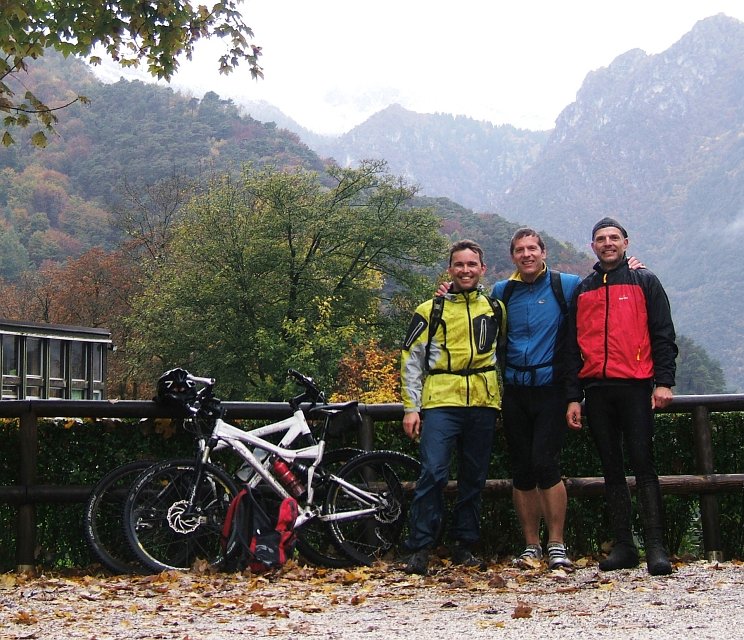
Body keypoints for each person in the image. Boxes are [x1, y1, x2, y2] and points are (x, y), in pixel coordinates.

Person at [565, 217, 678, 576]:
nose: (608, 243)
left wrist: (664, 382)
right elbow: (570, 348)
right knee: (611, 470)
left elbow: (662, 332)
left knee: (644, 466)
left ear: (626, 243)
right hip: (597, 390)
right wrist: (573, 396)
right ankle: (624, 546)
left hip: (636, 386)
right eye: (601, 239)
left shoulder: (645, 281)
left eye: (614, 237)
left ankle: (656, 547)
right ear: (593, 246)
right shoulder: (583, 289)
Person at [400, 239, 504, 575]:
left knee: (474, 478)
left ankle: (465, 545)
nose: (465, 270)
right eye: (459, 264)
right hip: (441, 400)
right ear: (450, 269)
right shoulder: (430, 310)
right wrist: (410, 407)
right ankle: (419, 548)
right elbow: (411, 361)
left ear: (482, 269)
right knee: (433, 473)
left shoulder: (495, 308)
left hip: (484, 401)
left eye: (471, 264)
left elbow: (504, 352)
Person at [490, 228, 579, 571]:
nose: (526, 254)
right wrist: (447, 293)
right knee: (522, 469)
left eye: (532, 248)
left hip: (551, 389)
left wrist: (635, 270)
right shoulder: (503, 291)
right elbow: (475, 316)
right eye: (519, 250)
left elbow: (602, 290)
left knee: (546, 463)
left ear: (544, 252)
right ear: (512, 256)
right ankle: (531, 546)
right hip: (515, 390)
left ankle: (556, 543)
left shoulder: (564, 285)